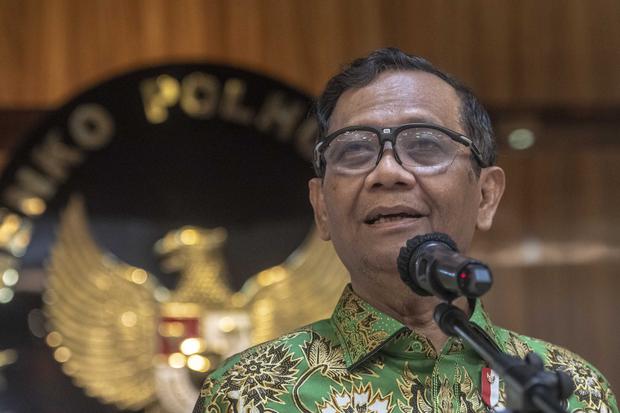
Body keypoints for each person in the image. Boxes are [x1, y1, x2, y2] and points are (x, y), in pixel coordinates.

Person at [192, 48, 617, 413]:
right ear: (321, 207)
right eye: (355, 150)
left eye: (424, 145)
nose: (388, 172)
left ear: (486, 196)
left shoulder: (574, 393)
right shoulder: (248, 394)